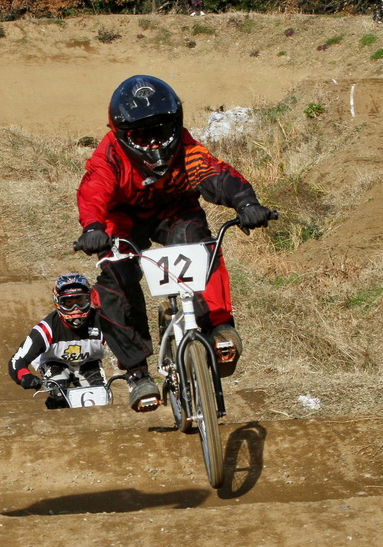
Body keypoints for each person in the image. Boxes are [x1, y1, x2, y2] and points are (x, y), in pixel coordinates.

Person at [73, 75, 274, 413]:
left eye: (161, 129)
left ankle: (219, 324)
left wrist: (246, 203)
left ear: (176, 123)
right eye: (141, 134)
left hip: (175, 209)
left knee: (201, 247)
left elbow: (215, 174)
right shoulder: (109, 155)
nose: (153, 142)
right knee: (115, 279)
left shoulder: (186, 147)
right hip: (123, 217)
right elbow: (94, 191)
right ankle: (137, 372)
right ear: (123, 134)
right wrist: (93, 227)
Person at [8, 274, 106, 409]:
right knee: (58, 395)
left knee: (99, 400)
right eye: (69, 302)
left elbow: (124, 345)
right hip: (55, 363)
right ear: (58, 302)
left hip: (89, 363)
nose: (76, 307)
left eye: (80, 300)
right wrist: (25, 376)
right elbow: (17, 360)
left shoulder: (102, 321)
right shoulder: (45, 330)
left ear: (89, 299)